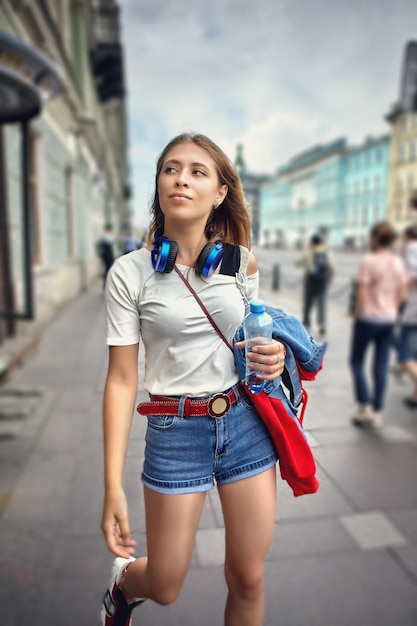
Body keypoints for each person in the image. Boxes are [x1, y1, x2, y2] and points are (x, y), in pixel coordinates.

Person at [100, 133, 287, 626]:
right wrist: (111, 485)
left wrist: (272, 356)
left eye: (198, 171)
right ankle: (124, 584)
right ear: (159, 184)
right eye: (170, 168)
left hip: (245, 425)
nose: (181, 178)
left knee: (248, 577)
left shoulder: (241, 264)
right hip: (175, 431)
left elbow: (253, 340)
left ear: (220, 192)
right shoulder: (130, 273)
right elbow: (121, 380)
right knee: (165, 583)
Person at [349, 221, 408, 428]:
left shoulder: (369, 261)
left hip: (368, 319)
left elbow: (363, 292)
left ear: (374, 239)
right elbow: (402, 293)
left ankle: (364, 405)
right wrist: (392, 309)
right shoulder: (398, 263)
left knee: (357, 360)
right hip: (388, 320)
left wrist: (358, 314)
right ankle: (377, 409)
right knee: (380, 364)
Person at [295, 233, 335, 336]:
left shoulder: (309, 251)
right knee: (322, 303)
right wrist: (328, 279)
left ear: (312, 242)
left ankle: (307, 321)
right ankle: (322, 324)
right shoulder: (326, 252)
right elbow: (332, 267)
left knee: (308, 302)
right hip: (322, 282)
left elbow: (298, 262)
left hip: (310, 281)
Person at [396, 225, 417, 407]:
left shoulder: (411, 248)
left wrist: (399, 299)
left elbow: (411, 276)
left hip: (413, 310)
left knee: (406, 354)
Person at [97, 223, 116, 288]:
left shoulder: (108, 235)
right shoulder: (106, 236)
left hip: (109, 255)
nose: (112, 230)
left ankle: (107, 286)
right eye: (111, 229)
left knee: (109, 270)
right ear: (109, 229)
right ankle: (106, 286)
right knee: (108, 270)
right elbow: (110, 242)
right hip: (107, 256)